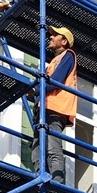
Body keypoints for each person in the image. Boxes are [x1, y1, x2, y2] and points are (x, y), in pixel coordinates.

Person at [29, 25, 77, 184]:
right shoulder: (54, 62)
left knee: (52, 147)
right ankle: (42, 179)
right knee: (37, 150)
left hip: (55, 110)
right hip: (46, 109)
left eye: (55, 35)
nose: (50, 37)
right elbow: (47, 86)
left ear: (64, 41)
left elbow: (56, 81)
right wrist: (34, 93)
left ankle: (57, 182)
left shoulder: (68, 55)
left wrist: (35, 90)